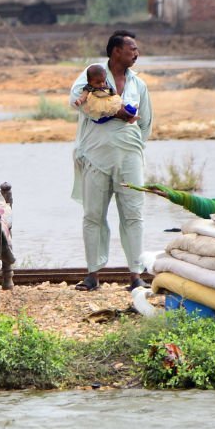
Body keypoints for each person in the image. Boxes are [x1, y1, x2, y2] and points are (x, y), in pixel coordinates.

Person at [69, 30, 153, 292]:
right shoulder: (90, 75)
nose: (136, 54)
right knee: (93, 215)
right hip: (95, 156)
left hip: (129, 157)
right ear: (117, 51)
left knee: (133, 214)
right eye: (132, 50)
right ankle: (93, 274)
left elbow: (146, 122)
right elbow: (82, 104)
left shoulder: (138, 84)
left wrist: (133, 146)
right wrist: (119, 113)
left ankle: (136, 275)